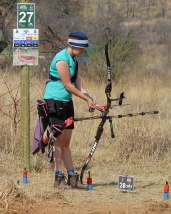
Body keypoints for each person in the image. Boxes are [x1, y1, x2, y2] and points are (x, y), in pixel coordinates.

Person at [42, 32, 103, 189]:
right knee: (57, 141)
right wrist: (86, 99)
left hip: (67, 102)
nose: (83, 51)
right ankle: (58, 179)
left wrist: (92, 101)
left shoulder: (74, 61)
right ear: (74, 46)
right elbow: (68, 85)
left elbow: (79, 85)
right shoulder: (61, 59)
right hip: (55, 101)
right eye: (82, 48)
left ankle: (72, 177)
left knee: (66, 143)